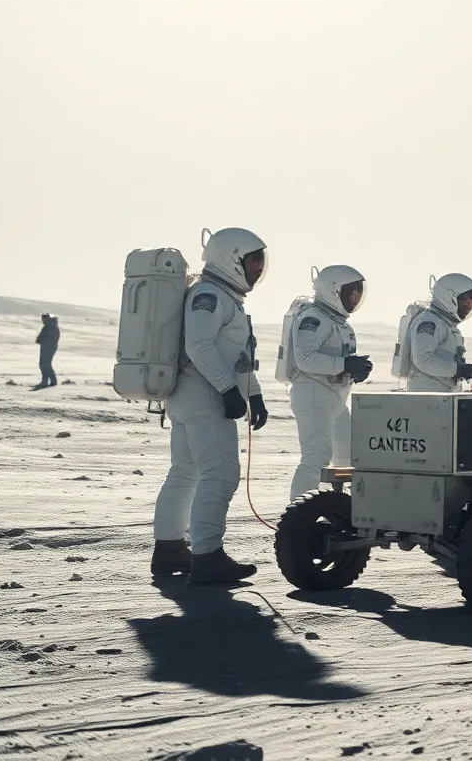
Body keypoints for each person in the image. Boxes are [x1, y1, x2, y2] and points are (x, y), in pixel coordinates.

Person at [150, 227, 270, 584]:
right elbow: (200, 347)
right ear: (232, 258)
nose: (259, 269)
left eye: (261, 262)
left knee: (185, 472)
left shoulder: (221, 296)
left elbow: (235, 356)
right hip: (203, 393)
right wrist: (228, 391)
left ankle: (170, 549)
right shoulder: (209, 295)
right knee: (219, 474)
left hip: (192, 392)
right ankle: (208, 557)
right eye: (253, 260)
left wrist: (253, 393)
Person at [286, 265, 372, 501]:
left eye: (358, 292)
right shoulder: (312, 318)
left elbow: (338, 360)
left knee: (351, 457)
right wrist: (345, 365)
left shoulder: (342, 325)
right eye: (349, 292)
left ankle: (342, 508)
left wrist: (354, 371)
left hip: (336, 398)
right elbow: (305, 359)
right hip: (313, 394)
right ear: (333, 291)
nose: (354, 297)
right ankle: (297, 519)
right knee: (316, 457)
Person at [406, 273, 472, 392]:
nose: (469, 304)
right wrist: (457, 370)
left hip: (443, 396)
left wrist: (460, 370)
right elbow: (423, 359)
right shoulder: (429, 321)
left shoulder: (446, 323)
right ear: (449, 297)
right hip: (427, 395)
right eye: (464, 299)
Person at [35, 313, 60, 388]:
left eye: (43, 319)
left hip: (49, 348)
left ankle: (51, 381)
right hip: (46, 347)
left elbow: (51, 339)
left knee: (45, 364)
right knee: (43, 364)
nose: (42, 320)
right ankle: (46, 381)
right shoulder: (48, 326)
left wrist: (42, 340)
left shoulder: (51, 326)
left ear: (46, 318)